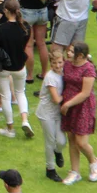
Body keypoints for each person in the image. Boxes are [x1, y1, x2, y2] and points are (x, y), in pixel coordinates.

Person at [0, 0, 35, 140]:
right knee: (20, 93)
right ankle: (25, 120)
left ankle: (10, 128)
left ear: (5, 11)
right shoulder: (25, 27)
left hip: (4, 68)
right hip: (19, 66)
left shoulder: (1, 29)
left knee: (5, 96)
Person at [60, 41, 97, 185]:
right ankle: (74, 172)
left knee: (81, 142)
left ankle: (94, 162)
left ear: (81, 55)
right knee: (71, 139)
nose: (68, 54)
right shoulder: (67, 65)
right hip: (69, 106)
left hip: (82, 107)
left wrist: (67, 104)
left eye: (71, 52)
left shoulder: (88, 69)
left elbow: (85, 93)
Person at [14, 0, 53, 82]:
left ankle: (29, 75)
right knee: (41, 43)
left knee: (29, 45)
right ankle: (43, 73)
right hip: (43, 12)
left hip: (27, 14)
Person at [37, 51, 68, 182]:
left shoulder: (64, 73)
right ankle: (50, 169)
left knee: (61, 141)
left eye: (60, 62)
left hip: (57, 113)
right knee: (49, 141)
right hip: (46, 113)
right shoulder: (50, 77)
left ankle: (58, 151)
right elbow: (56, 99)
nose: (57, 65)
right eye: (54, 63)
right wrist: (69, 97)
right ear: (50, 64)